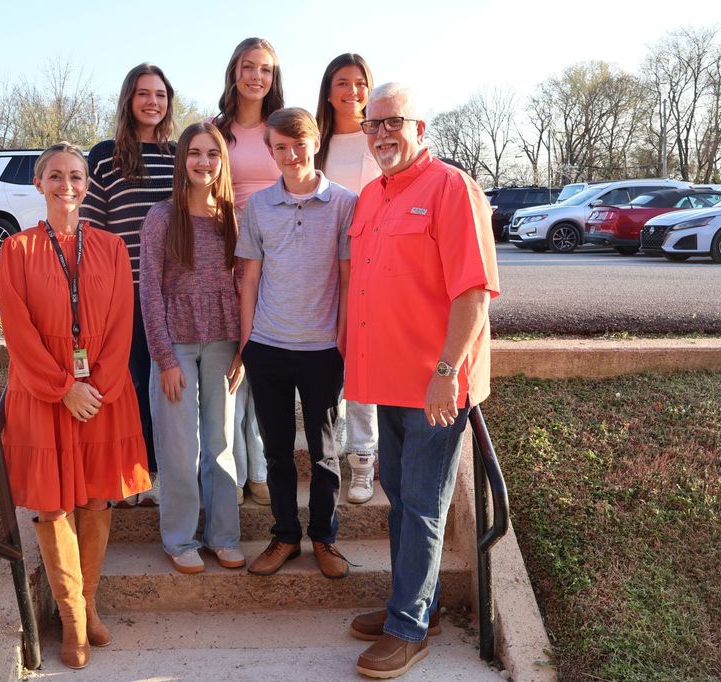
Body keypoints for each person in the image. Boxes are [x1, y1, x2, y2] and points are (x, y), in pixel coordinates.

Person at [344, 84, 499, 679]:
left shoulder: (450, 188)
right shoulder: (372, 196)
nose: (382, 133)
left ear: (420, 126)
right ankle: (415, 607)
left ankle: (408, 631)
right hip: (390, 379)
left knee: (424, 504)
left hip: (434, 383)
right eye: (372, 124)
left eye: (393, 122)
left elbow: (473, 292)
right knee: (400, 500)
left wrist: (445, 373)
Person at [0, 143, 151, 670]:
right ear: (39, 183)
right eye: (56, 176)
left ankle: (88, 605)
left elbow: (121, 325)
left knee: (96, 502)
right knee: (54, 505)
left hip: (103, 395)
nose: (67, 185)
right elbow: (17, 332)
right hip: (45, 396)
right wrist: (64, 387)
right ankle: (71, 623)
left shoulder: (111, 247)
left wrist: (97, 387)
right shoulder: (16, 250)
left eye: (77, 176)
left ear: (88, 184)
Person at [237, 107, 355, 580]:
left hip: (323, 348)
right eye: (280, 147)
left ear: (315, 145)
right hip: (267, 345)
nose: (290, 155)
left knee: (325, 452)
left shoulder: (345, 203)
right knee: (277, 451)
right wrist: (247, 342)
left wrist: (343, 338)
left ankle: (324, 537)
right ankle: (285, 535)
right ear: (270, 152)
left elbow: (349, 279)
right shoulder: (259, 206)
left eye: (298, 145)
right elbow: (249, 276)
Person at [139, 122, 246, 574]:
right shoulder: (162, 217)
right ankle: (180, 538)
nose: (204, 162)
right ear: (182, 160)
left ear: (222, 161)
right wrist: (164, 358)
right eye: (195, 153)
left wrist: (244, 350)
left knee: (221, 444)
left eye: (213, 154)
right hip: (176, 346)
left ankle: (223, 536)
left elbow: (244, 284)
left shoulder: (233, 217)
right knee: (180, 447)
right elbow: (150, 291)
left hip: (224, 344)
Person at [82, 63, 177, 507]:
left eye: (159, 94)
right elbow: (92, 229)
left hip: (170, 295)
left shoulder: (180, 155)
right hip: (122, 293)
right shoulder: (104, 155)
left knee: (163, 386)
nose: (152, 102)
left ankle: (159, 471)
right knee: (130, 384)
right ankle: (132, 470)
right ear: (129, 99)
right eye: (143, 93)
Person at [213, 37, 285, 506]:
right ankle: (234, 473)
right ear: (234, 71)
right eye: (248, 66)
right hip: (226, 257)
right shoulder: (214, 130)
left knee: (265, 365)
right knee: (231, 368)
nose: (256, 76)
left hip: (280, 258)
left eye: (265, 69)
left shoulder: (283, 128)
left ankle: (260, 469)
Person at [315, 52, 381, 505]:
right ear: (329, 88)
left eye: (360, 83)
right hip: (322, 266)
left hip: (374, 265)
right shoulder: (316, 141)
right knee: (326, 366)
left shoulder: (379, 138)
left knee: (363, 365)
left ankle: (363, 461)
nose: (352, 91)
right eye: (342, 82)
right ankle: (330, 452)